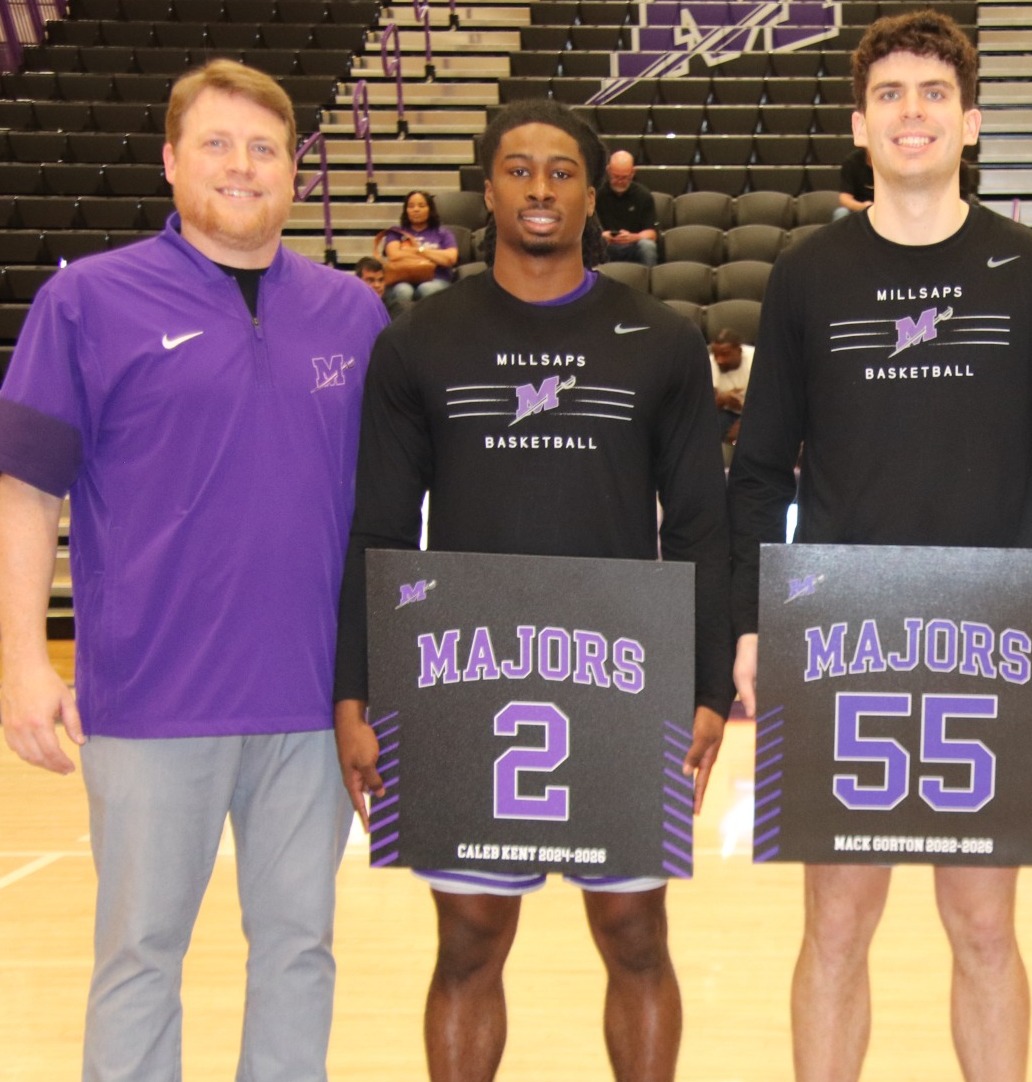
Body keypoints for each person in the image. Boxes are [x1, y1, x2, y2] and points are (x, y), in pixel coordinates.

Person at [726, 12, 1032, 1079]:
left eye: (934, 94)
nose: (913, 112)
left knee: (984, 926)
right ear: (860, 123)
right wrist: (751, 623)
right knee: (837, 925)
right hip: (837, 625)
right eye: (891, 94)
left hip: (997, 627)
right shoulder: (809, 273)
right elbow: (758, 471)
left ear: (971, 119)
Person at [0, 59, 387, 1081]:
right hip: (147, 697)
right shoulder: (86, 300)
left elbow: (393, 512)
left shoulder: (354, 315)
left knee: (300, 948)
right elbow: (25, 492)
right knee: (138, 955)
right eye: (216, 143)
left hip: (310, 701)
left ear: (295, 173)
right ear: (171, 160)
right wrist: (22, 662)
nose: (242, 166)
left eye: (264, 148)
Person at [331, 99, 732, 1082]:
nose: (541, 187)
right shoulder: (420, 341)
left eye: (562, 170)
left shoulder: (659, 338)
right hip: (462, 670)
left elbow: (697, 527)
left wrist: (707, 680)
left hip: (622, 667)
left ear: (595, 193)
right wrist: (357, 686)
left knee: (636, 933)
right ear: (488, 186)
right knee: (468, 939)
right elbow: (380, 525)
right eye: (519, 169)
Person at [378, 189, 459, 303]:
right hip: (403, 279)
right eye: (411, 206)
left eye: (421, 206)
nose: (416, 209)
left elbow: (450, 259)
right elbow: (394, 255)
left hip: (437, 279)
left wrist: (418, 250)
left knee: (426, 289)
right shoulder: (396, 233)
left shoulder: (443, 233)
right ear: (406, 211)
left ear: (430, 209)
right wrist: (434, 256)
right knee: (403, 290)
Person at [599, 149, 659, 266]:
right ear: (608, 171)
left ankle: (649, 282)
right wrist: (601, 235)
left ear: (633, 173)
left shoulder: (643, 195)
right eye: (616, 177)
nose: (620, 181)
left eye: (625, 177)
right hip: (605, 245)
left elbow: (651, 233)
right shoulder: (596, 195)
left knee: (648, 246)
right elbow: (584, 229)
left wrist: (634, 237)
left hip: (632, 245)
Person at [709, 327, 753, 453]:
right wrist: (723, 399)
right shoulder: (710, 363)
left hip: (757, 413)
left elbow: (770, 402)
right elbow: (707, 407)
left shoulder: (757, 360)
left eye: (725, 354)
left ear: (739, 351)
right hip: (727, 412)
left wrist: (744, 423)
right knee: (710, 427)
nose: (719, 360)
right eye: (716, 355)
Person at [836, 146, 874, 219]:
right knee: (841, 212)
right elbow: (844, 198)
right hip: (858, 209)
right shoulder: (852, 162)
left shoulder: (892, 162)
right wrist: (863, 207)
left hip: (885, 210)